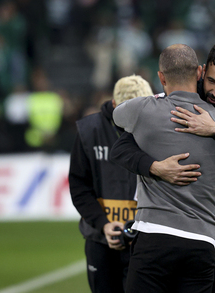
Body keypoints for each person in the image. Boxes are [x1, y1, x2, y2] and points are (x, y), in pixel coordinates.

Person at [110, 41, 215, 293]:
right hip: (197, 233)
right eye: (211, 81)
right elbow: (122, 147)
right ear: (200, 72)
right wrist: (155, 166)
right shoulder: (174, 95)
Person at [68, 75, 154, 293]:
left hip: (146, 240)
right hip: (101, 239)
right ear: (115, 105)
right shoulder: (89, 131)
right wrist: (103, 224)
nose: (137, 119)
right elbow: (79, 185)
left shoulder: (157, 127)